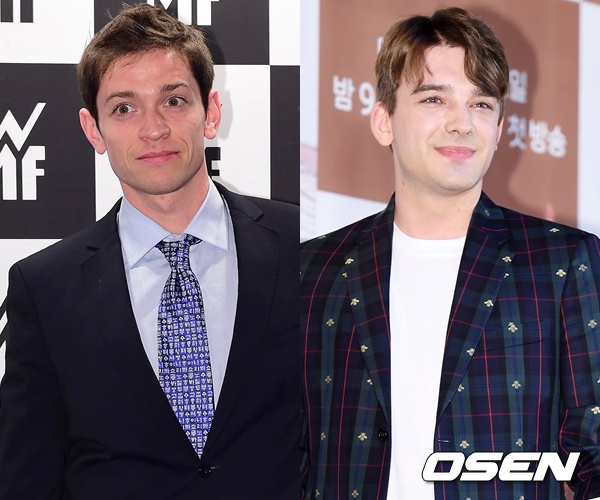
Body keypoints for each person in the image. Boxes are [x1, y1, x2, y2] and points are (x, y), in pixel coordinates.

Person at [0, 4, 300, 499]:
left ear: (211, 112)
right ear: (93, 129)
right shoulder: (45, 286)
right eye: (124, 108)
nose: (153, 128)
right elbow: (27, 477)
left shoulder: (306, 246)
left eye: (174, 101)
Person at [300, 7, 600, 499]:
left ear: (499, 130)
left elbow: (595, 453)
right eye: (434, 99)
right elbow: (285, 451)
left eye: (480, 104)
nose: (462, 123)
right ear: (384, 121)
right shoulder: (314, 269)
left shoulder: (562, 262)